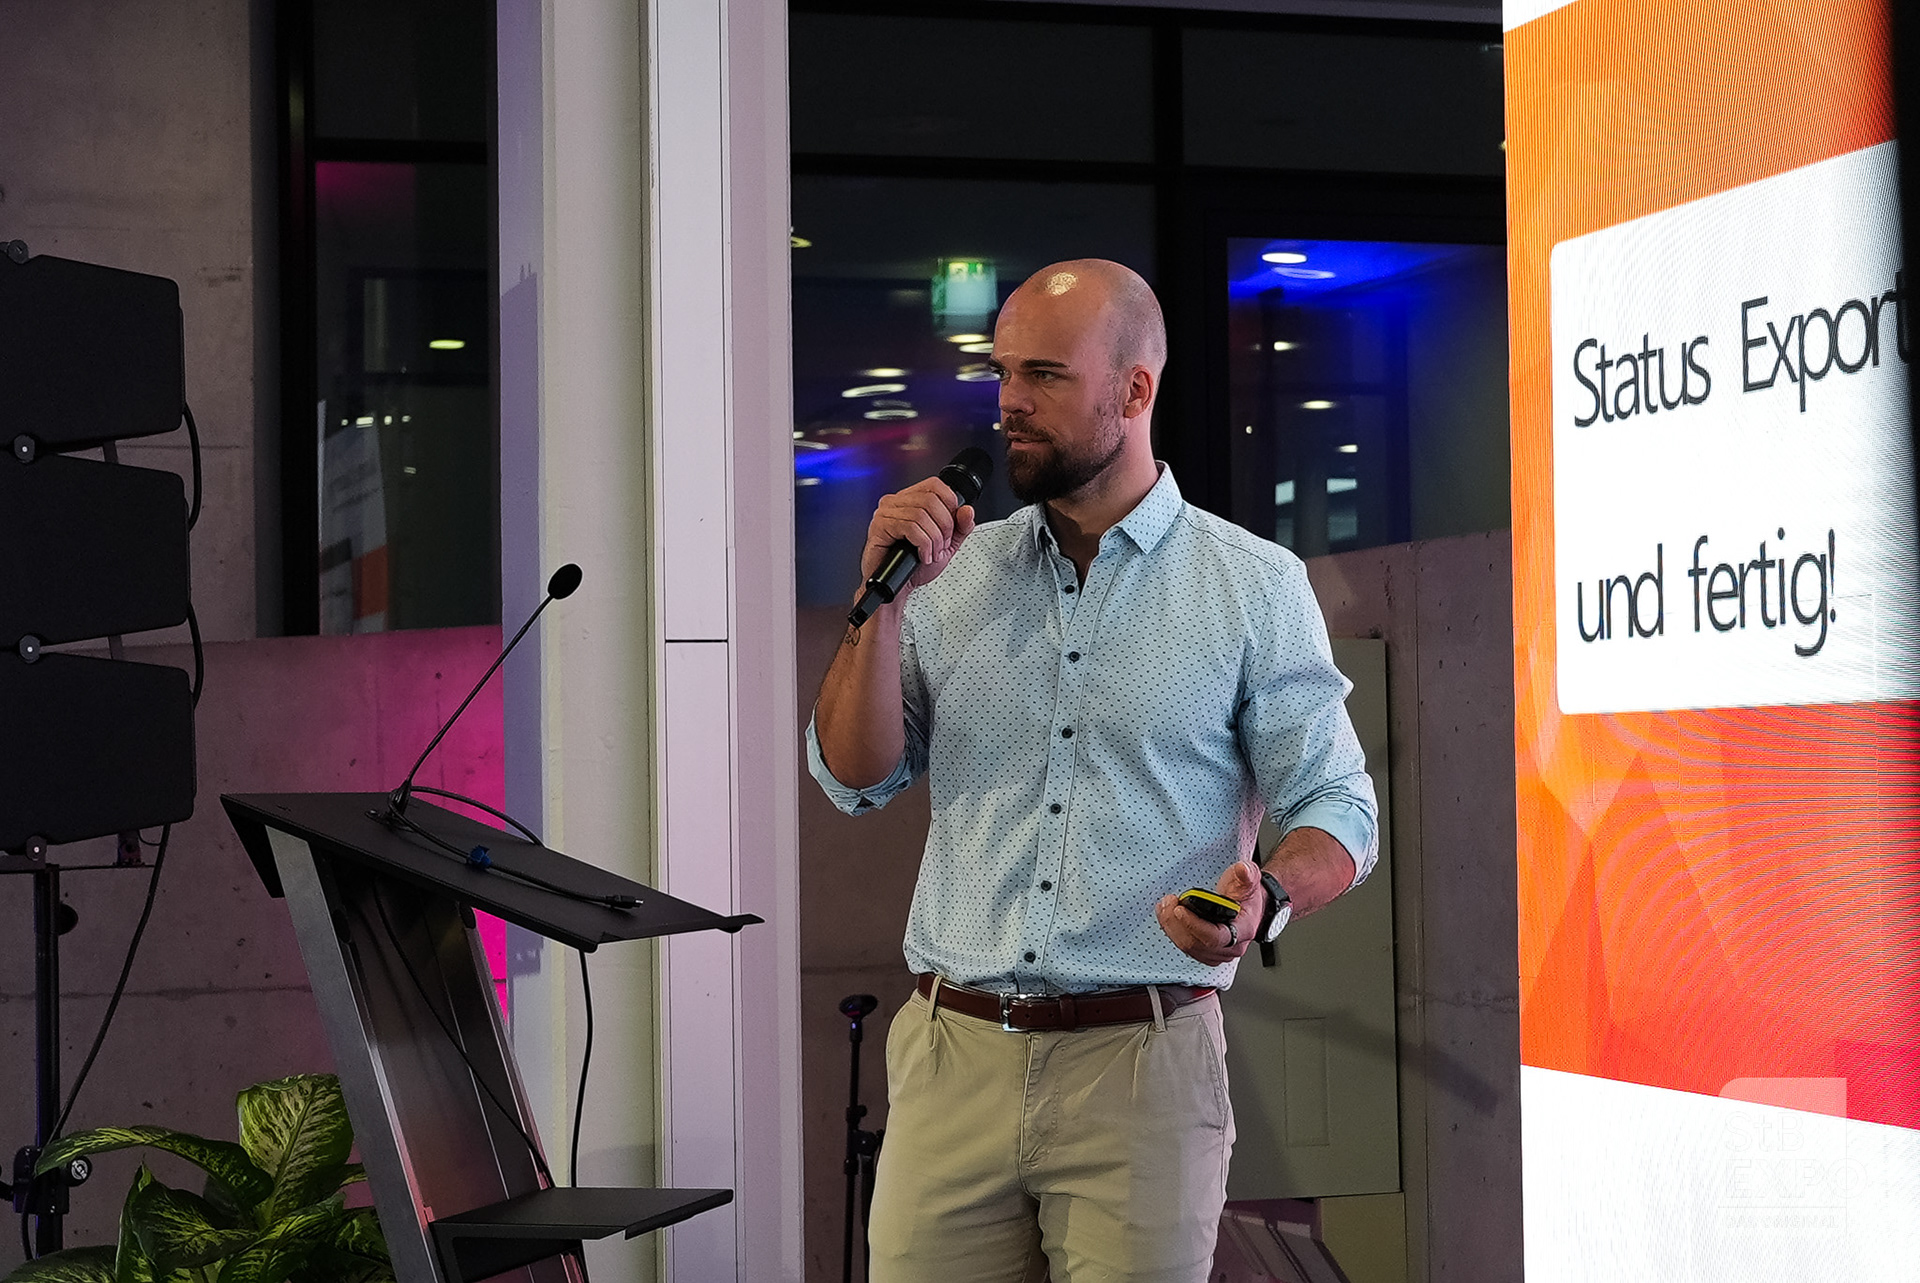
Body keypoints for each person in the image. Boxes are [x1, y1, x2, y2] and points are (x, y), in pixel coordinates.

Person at [808, 259, 1378, 1283]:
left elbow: (1338, 804)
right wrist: (880, 604)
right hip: (951, 1053)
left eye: (1043, 374)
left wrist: (1269, 893)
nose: (1009, 403)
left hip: (1141, 1064)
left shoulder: (1251, 585)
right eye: (1002, 373)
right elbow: (855, 775)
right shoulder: (951, 578)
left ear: (1134, 390)